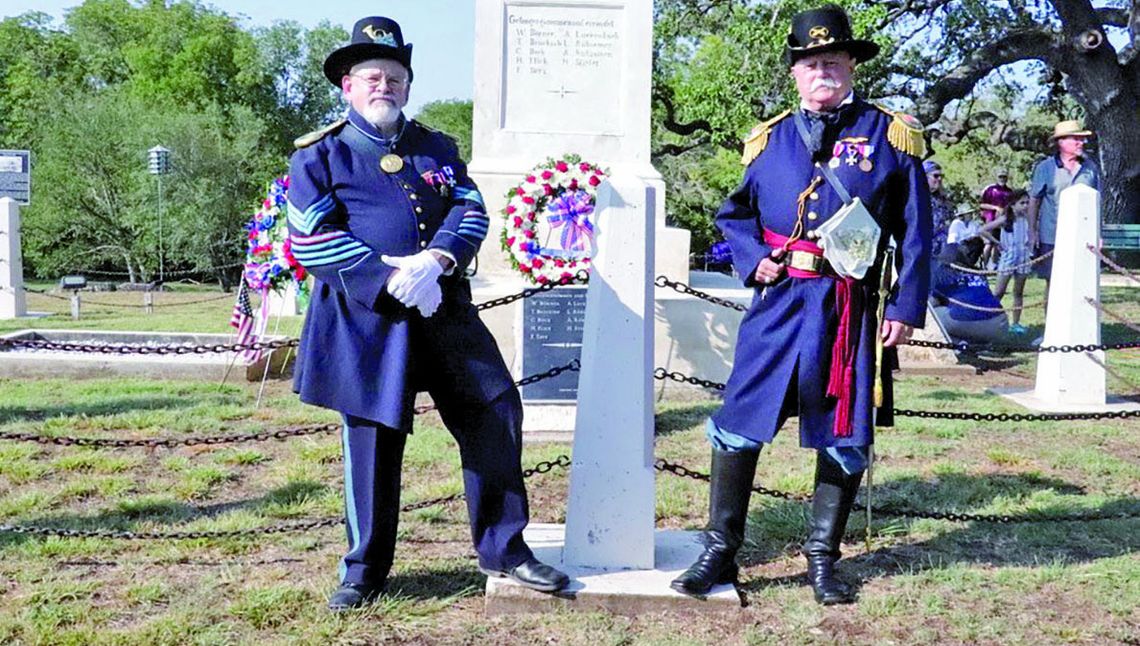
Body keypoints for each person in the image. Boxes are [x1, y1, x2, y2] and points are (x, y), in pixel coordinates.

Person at [285, 16, 569, 611]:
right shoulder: (321, 154)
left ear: (407, 85)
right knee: (372, 444)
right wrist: (390, 277)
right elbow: (310, 238)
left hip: (444, 308)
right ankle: (364, 569)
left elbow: (470, 209)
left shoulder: (437, 146)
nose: (383, 85)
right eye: (371, 76)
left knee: (494, 411)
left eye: (394, 76)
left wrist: (437, 261)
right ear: (347, 86)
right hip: (367, 321)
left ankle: (507, 550)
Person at [669, 4, 931, 605]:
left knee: (842, 431)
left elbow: (917, 233)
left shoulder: (892, 136)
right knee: (739, 422)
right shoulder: (769, 140)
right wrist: (750, 255)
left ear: (851, 67)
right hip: (780, 301)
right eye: (812, 63)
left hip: (847, 310)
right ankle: (719, 550)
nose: (823, 73)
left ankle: (821, 559)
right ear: (795, 72)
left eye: (834, 62)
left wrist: (905, 308)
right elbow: (734, 214)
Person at [1028, 119, 1099, 309]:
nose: (1081, 143)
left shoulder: (1091, 168)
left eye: (1082, 139)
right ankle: (1051, 334)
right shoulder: (1045, 168)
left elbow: (1097, 202)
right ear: (1061, 142)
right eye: (1075, 139)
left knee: (1081, 283)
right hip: (1052, 236)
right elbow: (1034, 200)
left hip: (1083, 238)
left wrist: (1098, 234)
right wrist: (1032, 232)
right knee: (1054, 283)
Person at [992, 190, 1032, 334]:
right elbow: (983, 230)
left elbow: (1030, 235)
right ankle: (990, 319)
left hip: (1023, 258)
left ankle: (1016, 323)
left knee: (1018, 292)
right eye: (1022, 203)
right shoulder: (1005, 219)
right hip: (1008, 258)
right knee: (999, 292)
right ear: (1013, 205)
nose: (1026, 205)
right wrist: (997, 242)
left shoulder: (1026, 219)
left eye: (1027, 202)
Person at [979, 168, 1015, 269]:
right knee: (988, 243)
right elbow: (982, 204)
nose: (1002, 179)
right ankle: (984, 266)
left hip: (1003, 221)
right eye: (1000, 176)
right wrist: (995, 208)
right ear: (997, 177)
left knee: (998, 243)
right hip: (991, 219)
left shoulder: (1010, 191)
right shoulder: (990, 189)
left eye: (1004, 177)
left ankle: (994, 266)